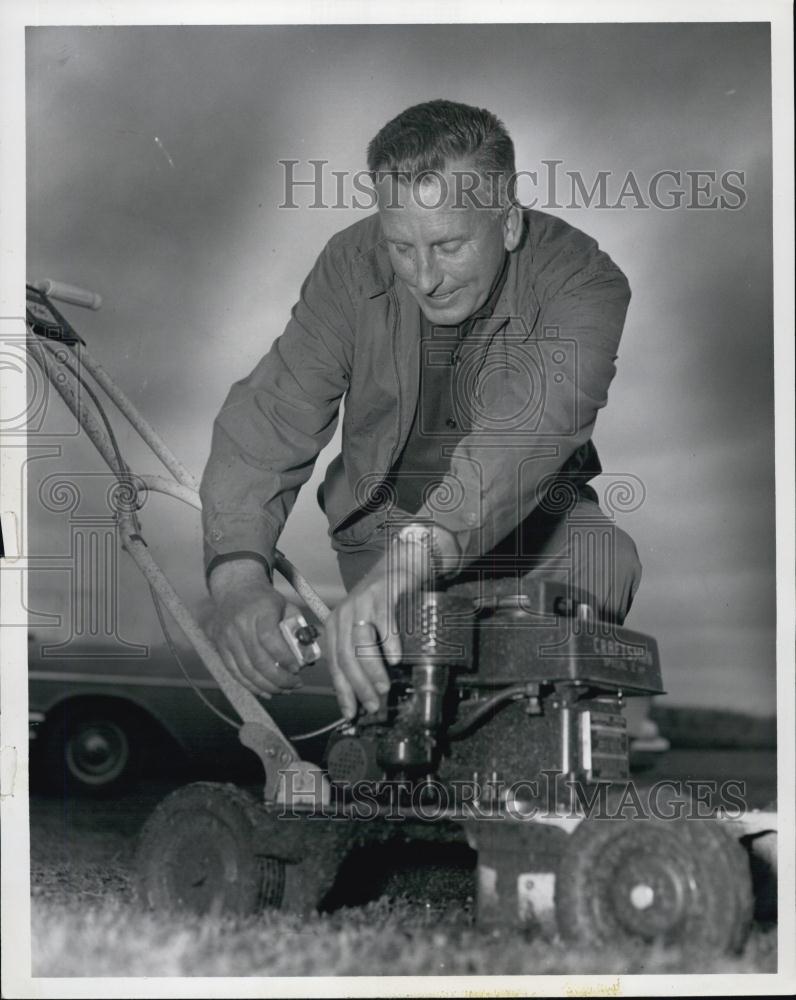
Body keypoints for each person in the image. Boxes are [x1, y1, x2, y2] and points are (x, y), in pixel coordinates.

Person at [200, 99, 659, 741]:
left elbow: (526, 434)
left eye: (448, 245)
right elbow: (273, 413)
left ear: (507, 222)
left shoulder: (585, 280)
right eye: (401, 248)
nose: (425, 277)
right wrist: (238, 580)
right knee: (403, 730)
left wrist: (407, 568)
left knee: (603, 558)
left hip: (531, 528)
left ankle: (554, 742)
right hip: (381, 534)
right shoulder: (348, 263)